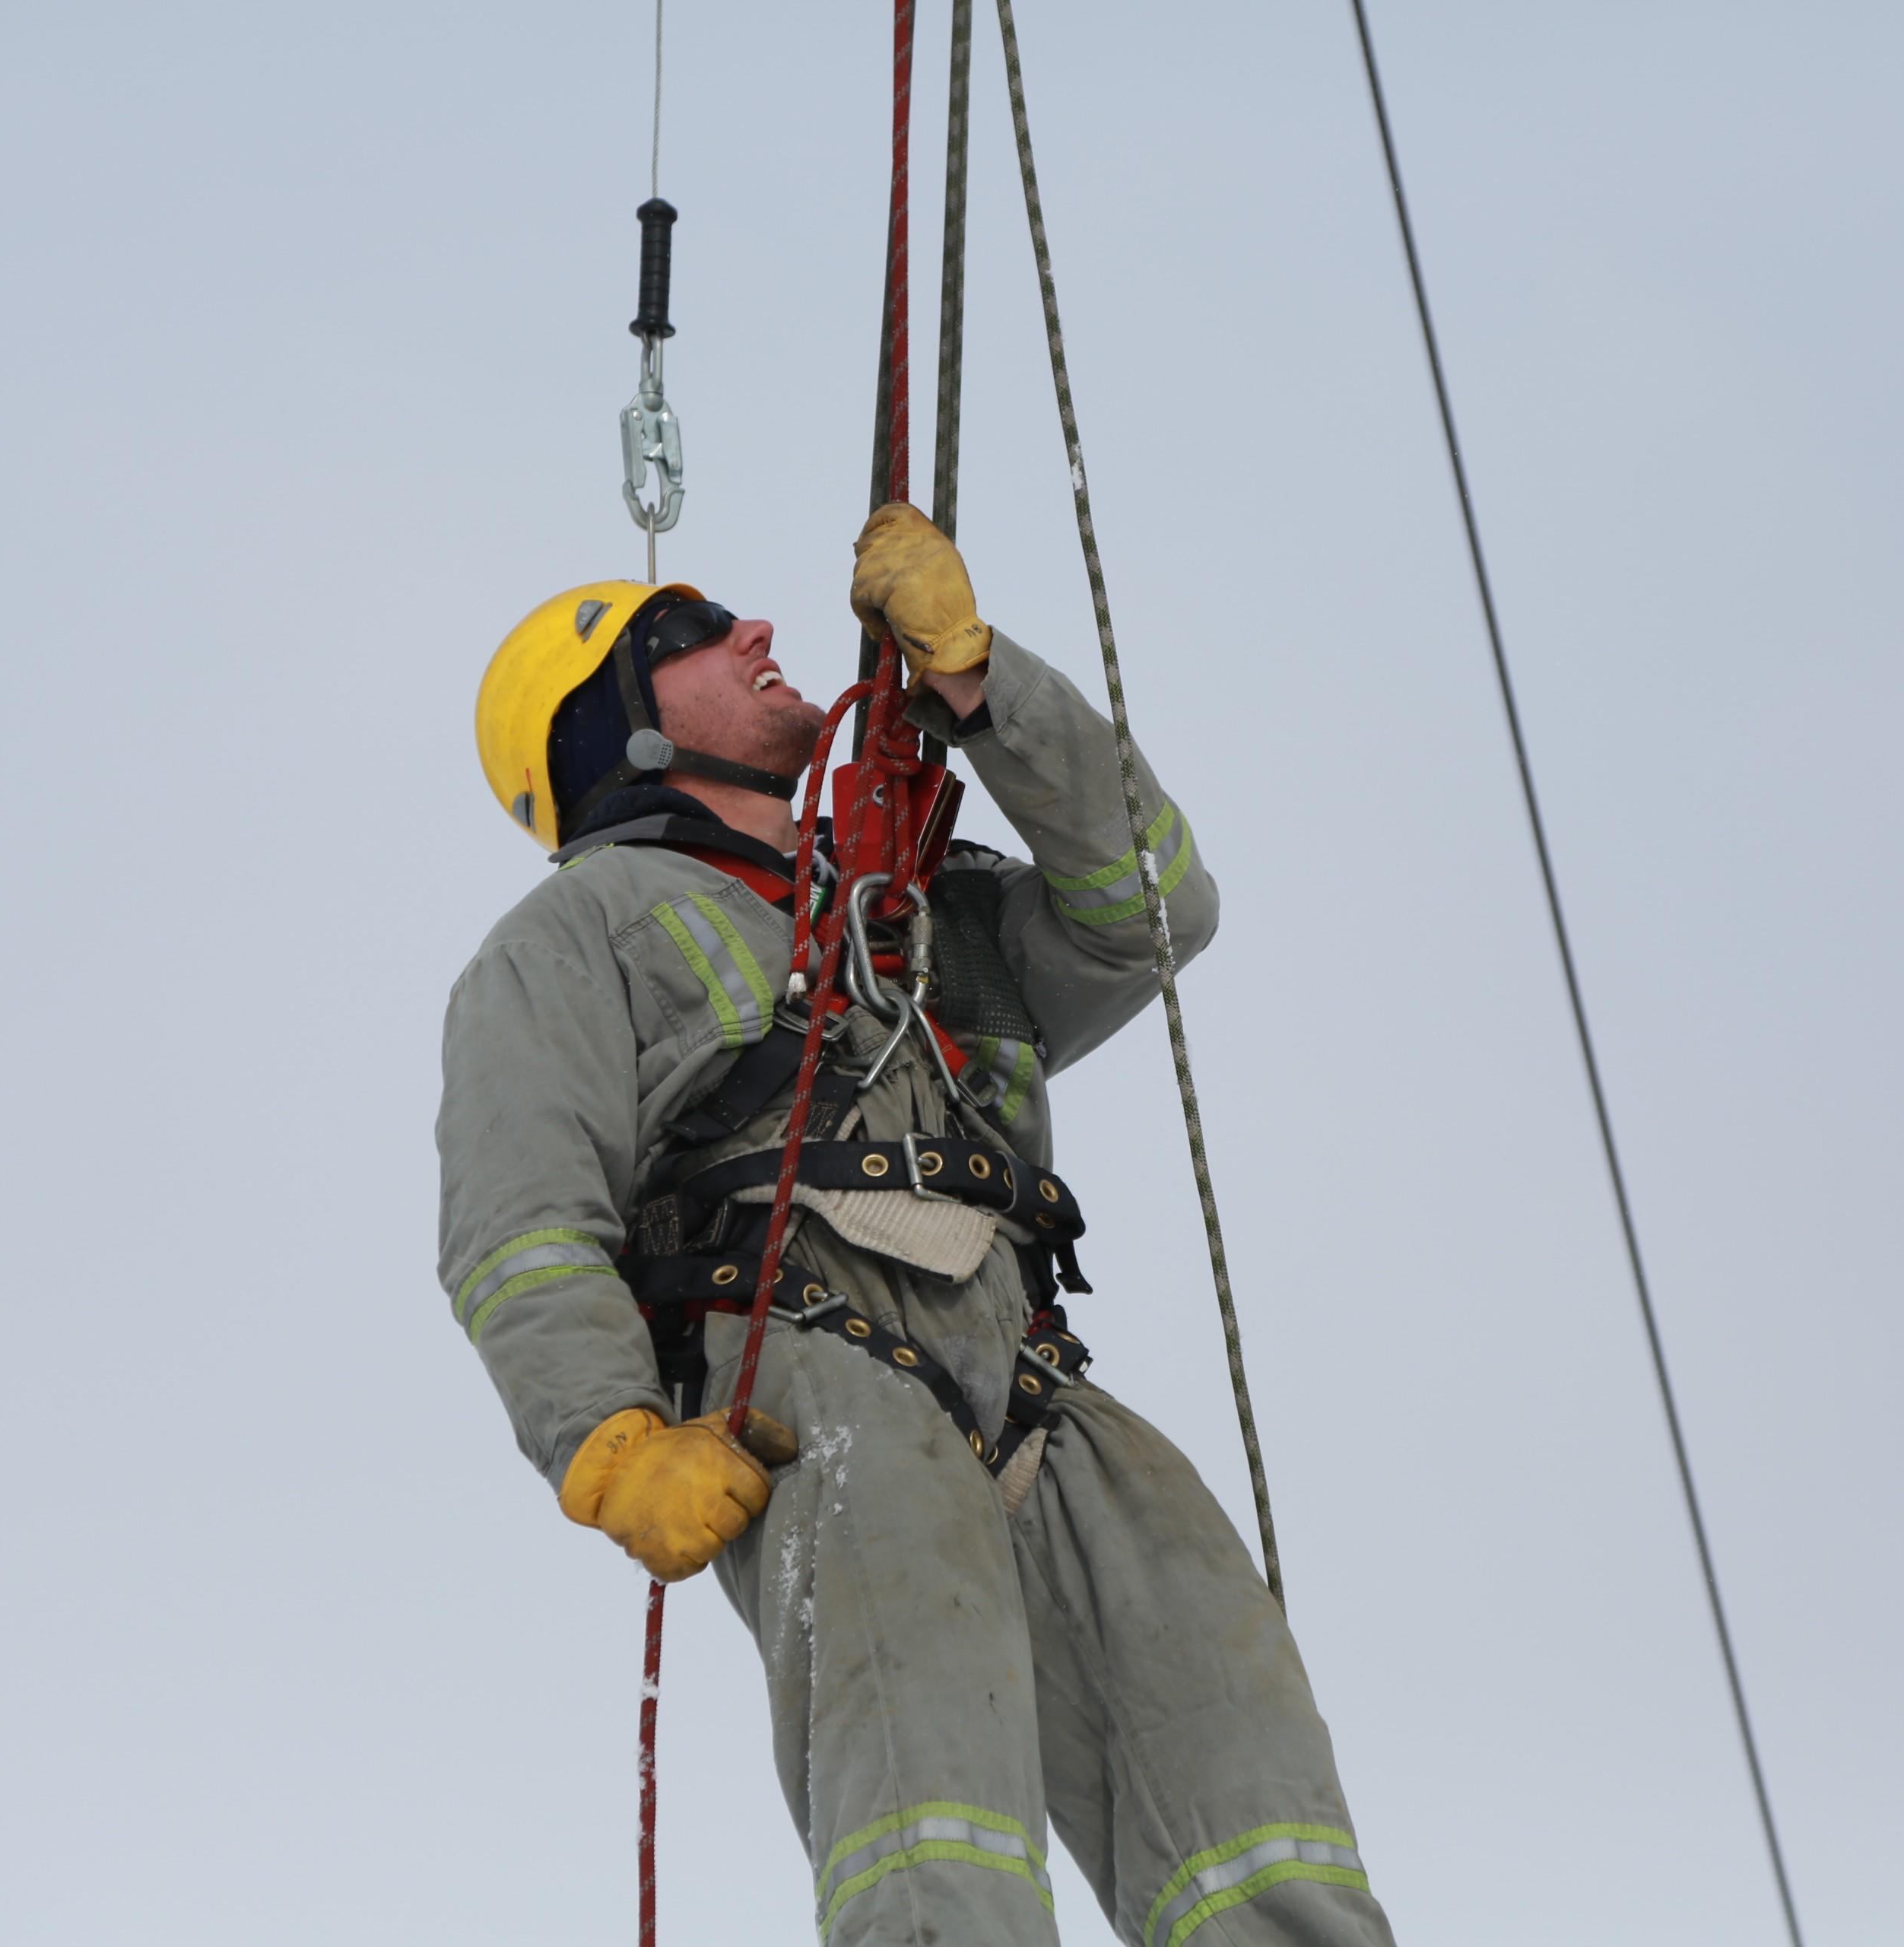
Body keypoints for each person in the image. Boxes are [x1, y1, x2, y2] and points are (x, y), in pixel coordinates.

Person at [439, 504, 1396, 1947]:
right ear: (615, 731)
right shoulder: (574, 936)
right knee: (934, 1835)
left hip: (1033, 1378)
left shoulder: (915, 911)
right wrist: (608, 1442)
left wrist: (978, 684)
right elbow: (520, 1223)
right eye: (691, 639)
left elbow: (1151, 906)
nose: (755, 632)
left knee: (1244, 1778)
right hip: (817, 1379)